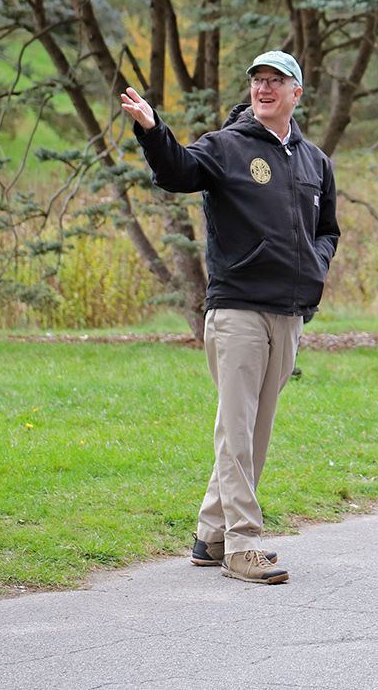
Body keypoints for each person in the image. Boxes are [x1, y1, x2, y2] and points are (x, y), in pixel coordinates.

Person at [120, 51, 340, 585]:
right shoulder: (227, 146)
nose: (264, 88)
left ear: (297, 94)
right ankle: (242, 544)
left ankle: (209, 535)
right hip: (237, 307)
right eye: (258, 81)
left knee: (255, 432)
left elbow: (328, 228)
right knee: (236, 430)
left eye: (276, 81)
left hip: (289, 312)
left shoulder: (315, 161)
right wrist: (152, 131)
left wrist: (318, 263)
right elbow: (177, 172)